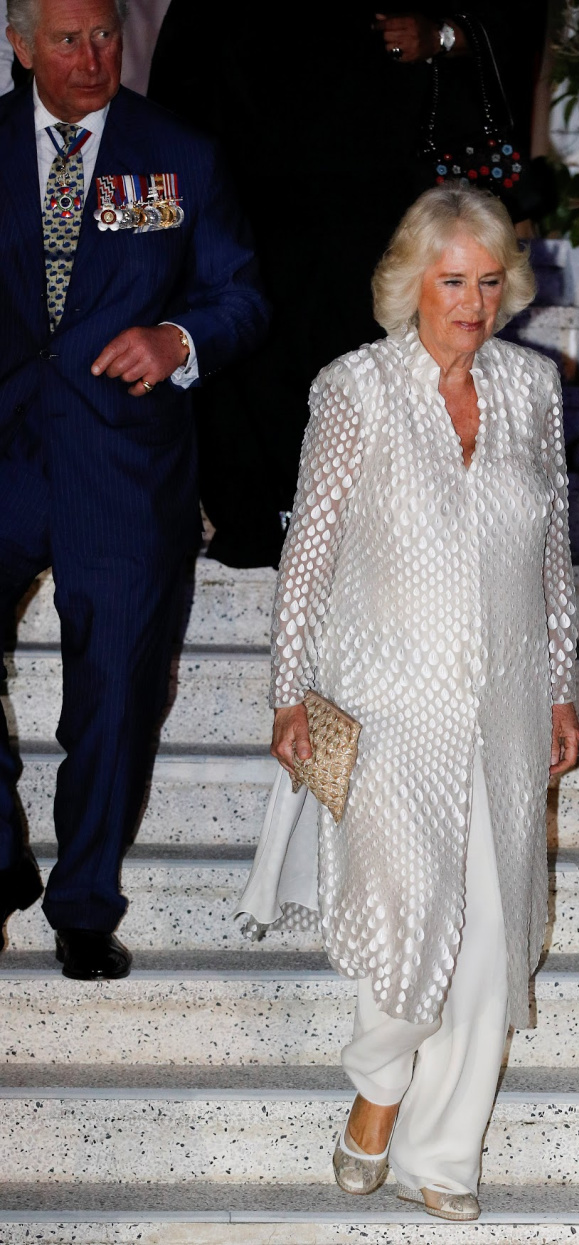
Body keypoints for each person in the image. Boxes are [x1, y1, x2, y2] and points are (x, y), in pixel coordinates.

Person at [237, 184, 579, 1220]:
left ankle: (445, 1157)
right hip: (387, 706)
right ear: (410, 285)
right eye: (451, 282)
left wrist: (561, 686)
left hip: (509, 707)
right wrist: (288, 690)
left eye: (487, 282)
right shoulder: (357, 389)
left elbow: (553, 557)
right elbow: (310, 551)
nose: (471, 302)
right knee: (406, 912)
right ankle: (379, 1089)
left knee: (486, 939)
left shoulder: (529, 388)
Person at [0, 0, 267, 979]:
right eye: (67, 40)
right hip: (6, 453)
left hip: (124, 460)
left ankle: (82, 905)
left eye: (105, 35)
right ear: (20, 45)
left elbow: (243, 297)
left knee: (114, 690)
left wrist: (181, 340)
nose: (92, 57)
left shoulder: (179, 154)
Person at [147, 5, 550, 569]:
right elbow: (187, 53)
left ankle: (384, 520)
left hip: (380, 172)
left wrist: (442, 34)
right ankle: (268, 520)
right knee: (252, 347)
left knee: (372, 347)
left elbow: (510, 19)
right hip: (246, 169)